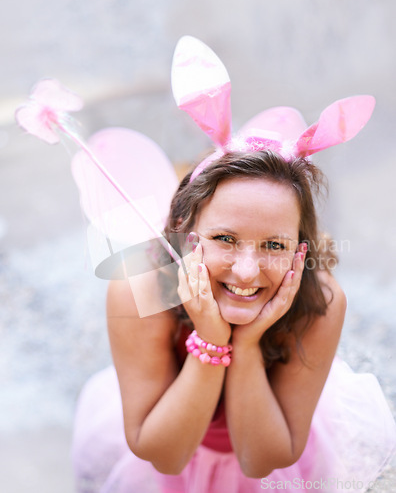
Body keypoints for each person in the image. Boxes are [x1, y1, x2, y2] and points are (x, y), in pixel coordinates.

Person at [70, 37, 396, 493]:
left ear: (301, 248)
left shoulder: (318, 299)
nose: (246, 271)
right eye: (224, 239)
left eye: (274, 245)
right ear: (184, 230)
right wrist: (209, 339)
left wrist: (246, 346)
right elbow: (164, 455)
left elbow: (262, 460)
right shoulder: (140, 286)